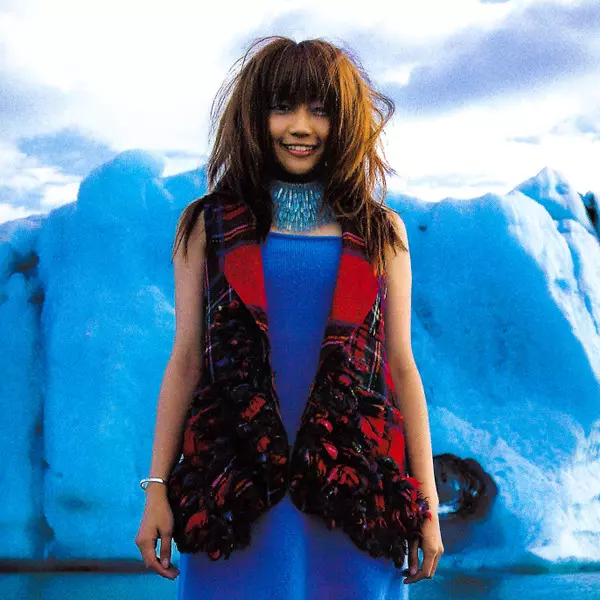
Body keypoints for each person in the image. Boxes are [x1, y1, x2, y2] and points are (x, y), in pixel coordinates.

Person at [135, 36, 443, 599]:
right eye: (282, 107)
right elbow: (185, 361)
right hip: (235, 491)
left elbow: (402, 367)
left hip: (352, 492)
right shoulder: (206, 226)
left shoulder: (382, 232)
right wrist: (156, 488)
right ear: (254, 117)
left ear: (345, 121)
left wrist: (426, 502)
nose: (300, 127)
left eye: (320, 110)